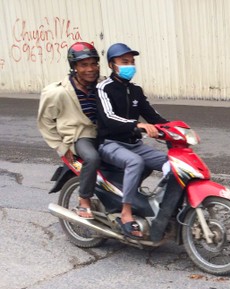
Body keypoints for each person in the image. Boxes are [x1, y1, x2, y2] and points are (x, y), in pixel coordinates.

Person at [95, 43, 168, 239]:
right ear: (112, 65)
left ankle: (162, 208)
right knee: (135, 162)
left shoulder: (135, 91)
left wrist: (177, 128)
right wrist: (137, 125)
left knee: (172, 164)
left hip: (134, 144)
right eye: (124, 62)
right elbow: (109, 118)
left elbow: (153, 117)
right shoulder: (103, 88)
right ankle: (126, 213)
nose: (130, 66)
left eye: (132, 62)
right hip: (110, 143)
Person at [38, 41, 101, 219]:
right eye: (84, 65)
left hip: (103, 134)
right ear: (74, 67)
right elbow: (45, 122)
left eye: (93, 64)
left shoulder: (103, 86)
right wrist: (61, 148)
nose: (90, 69)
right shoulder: (57, 92)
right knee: (92, 158)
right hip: (79, 137)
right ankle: (84, 201)